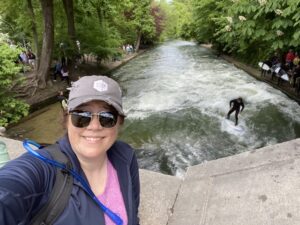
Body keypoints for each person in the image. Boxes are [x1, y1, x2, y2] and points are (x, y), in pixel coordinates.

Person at [0, 75, 140, 225]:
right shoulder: (43, 170)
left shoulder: (125, 156)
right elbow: (10, 189)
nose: (94, 126)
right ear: (67, 120)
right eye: (82, 116)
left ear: (119, 122)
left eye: (107, 117)